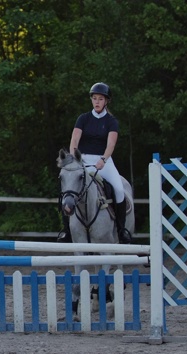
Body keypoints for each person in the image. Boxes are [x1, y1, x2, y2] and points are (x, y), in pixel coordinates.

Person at [57, 82, 132, 244]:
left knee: (119, 190)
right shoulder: (83, 118)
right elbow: (74, 139)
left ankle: (121, 230)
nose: (97, 102)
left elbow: (111, 144)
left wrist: (103, 159)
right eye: (94, 98)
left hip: (103, 161)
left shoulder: (111, 121)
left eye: (100, 99)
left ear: (106, 101)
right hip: (82, 160)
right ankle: (66, 230)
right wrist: (73, 158)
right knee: (67, 189)